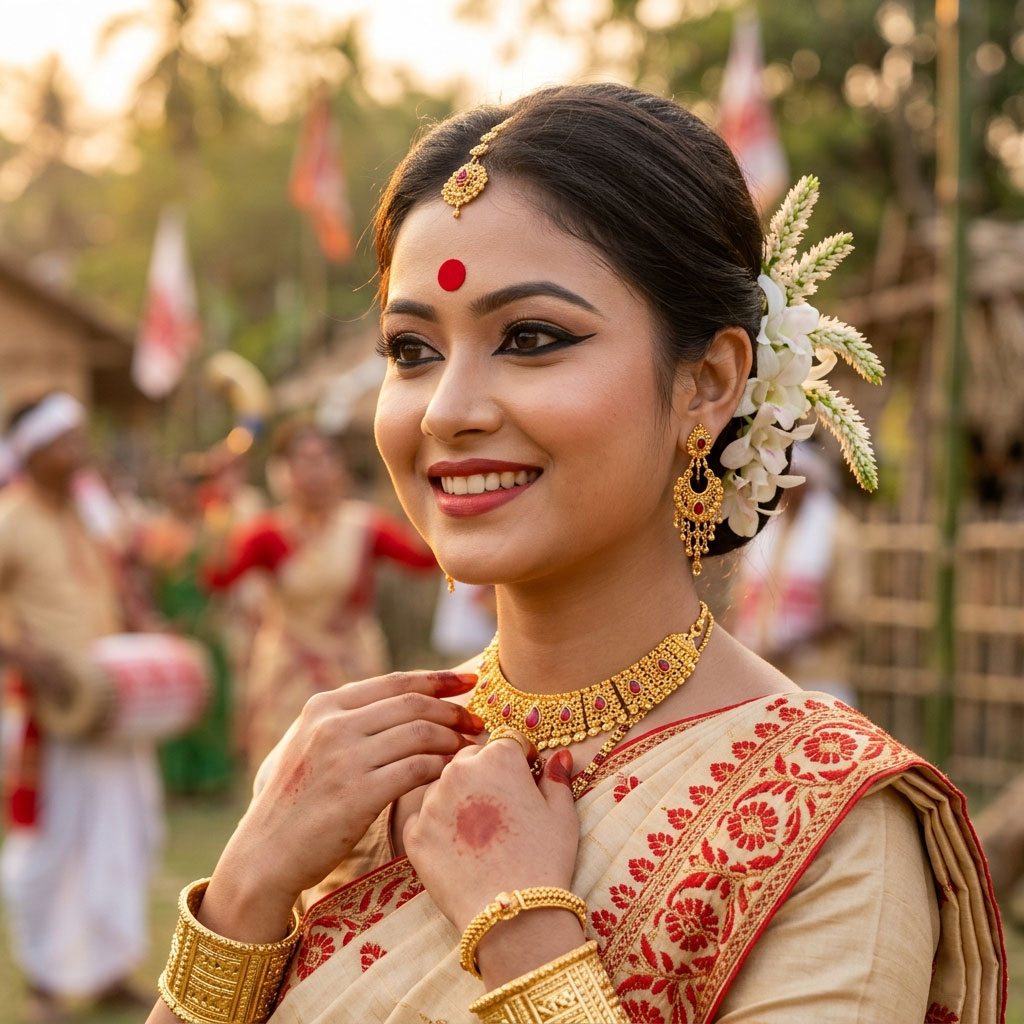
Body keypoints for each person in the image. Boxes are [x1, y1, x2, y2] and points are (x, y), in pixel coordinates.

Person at [148, 84, 1005, 1024]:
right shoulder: (362, 774)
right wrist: (243, 894)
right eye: (411, 349)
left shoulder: (830, 826)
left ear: (708, 383)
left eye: (531, 338)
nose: (446, 411)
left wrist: (526, 941)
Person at [0, 393, 160, 1021]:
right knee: (51, 846)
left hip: (111, 705)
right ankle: (44, 980)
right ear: (34, 452)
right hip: (52, 713)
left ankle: (108, 968)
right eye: (66, 440)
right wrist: (24, 653)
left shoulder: (88, 516)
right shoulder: (11, 518)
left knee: (122, 836)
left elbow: (120, 588)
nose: (79, 451)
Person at [204, 419, 438, 775]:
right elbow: (217, 579)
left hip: (352, 665)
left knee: (364, 773)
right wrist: (220, 504)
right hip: (287, 671)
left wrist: (428, 485)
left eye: (325, 458)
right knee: (285, 774)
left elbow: (425, 560)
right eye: (304, 460)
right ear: (282, 472)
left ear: (339, 468)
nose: (316, 470)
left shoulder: (364, 527)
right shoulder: (266, 535)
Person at [729, 443, 861, 706]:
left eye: (790, 481)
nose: (783, 489)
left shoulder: (838, 532)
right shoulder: (763, 528)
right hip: (761, 675)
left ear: (807, 483)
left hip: (817, 681)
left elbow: (848, 614)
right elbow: (743, 600)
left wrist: (790, 646)